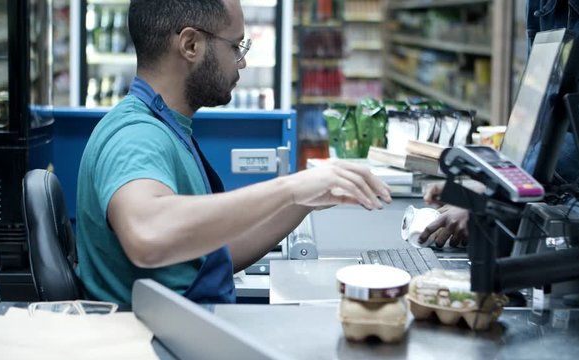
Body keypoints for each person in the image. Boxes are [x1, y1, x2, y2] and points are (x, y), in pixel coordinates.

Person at [75, 0, 392, 306]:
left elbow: (211, 253)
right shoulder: (136, 136)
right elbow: (148, 234)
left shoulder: (168, 127)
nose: (242, 62)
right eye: (235, 46)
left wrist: (302, 201)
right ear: (190, 45)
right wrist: (289, 187)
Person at [418, 0, 579, 248]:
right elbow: (539, 113)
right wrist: (495, 180)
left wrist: (497, 192)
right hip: (562, 197)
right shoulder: (540, 4)